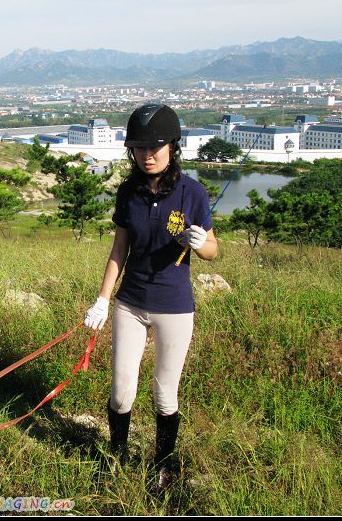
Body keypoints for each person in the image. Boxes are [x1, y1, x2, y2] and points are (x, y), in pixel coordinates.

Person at [83, 103, 218, 488]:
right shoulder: (129, 192)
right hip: (131, 303)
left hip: (174, 308)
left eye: (156, 146)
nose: (148, 155)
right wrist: (103, 299)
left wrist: (201, 243)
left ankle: (164, 464)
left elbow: (213, 249)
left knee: (164, 392)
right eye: (140, 148)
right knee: (122, 390)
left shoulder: (193, 193)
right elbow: (119, 249)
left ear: (173, 146)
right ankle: (117, 456)